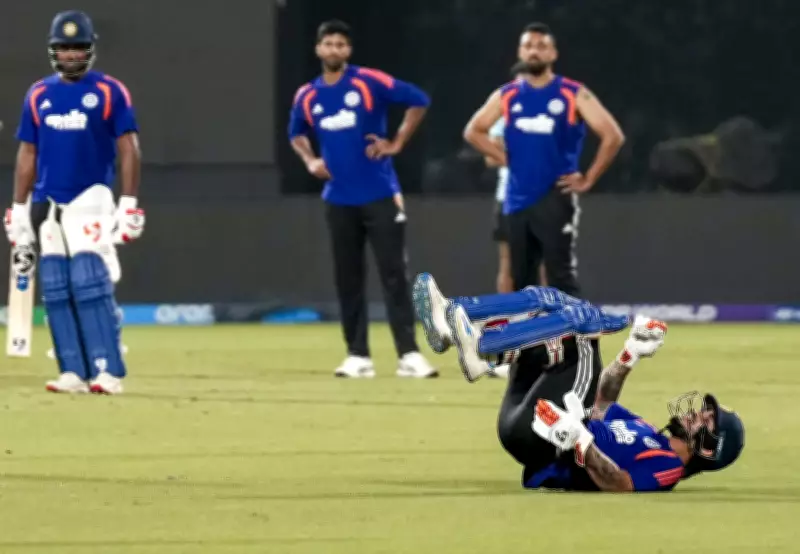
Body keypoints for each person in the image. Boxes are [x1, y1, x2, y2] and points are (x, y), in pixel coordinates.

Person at [412, 273, 745, 492]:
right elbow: (601, 402)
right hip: (526, 420)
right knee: (549, 301)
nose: (696, 413)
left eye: (706, 420)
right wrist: (629, 356)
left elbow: (621, 483)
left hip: (546, 445)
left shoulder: (669, 467)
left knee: (584, 329)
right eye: (704, 410)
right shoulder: (646, 430)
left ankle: (484, 350)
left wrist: (580, 441)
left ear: (708, 449)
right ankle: (452, 318)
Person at [4, 10, 144, 394]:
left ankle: (107, 370)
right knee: (55, 286)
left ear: (90, 50)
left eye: (78, 48)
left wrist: (128, 203)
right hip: (47, 201)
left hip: (91, 196)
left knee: (89, 280)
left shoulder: (109, 91)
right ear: (53, 51)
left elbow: (129, 147)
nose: (71, 55)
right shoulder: (38, 94)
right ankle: (72, 371)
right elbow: (28, 153)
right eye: (64, 48)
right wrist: (18, 208)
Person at [288, 20, 436, 379]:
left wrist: (396, 143)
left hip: (380, 194)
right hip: (338, 199)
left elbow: (418, 100)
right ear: (318, 49)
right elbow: (296, 133)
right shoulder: (307, 95)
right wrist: (310, 160)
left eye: (341, 44)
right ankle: (357, 356)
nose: (334, 49)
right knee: (348, 278)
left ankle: (409, 355)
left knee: (394, 275)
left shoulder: (369, 81)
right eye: (328, 43)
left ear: (348, 50)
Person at [464, 23, 625, 295]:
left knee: (559, 277)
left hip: (555, 195)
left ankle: (570, 326)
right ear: (520, 52)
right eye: (528, 46)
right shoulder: (507, 94)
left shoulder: (572, 93)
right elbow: (473, 131)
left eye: (541, 46)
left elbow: (613, 135)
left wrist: (588, 179)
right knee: (521, 282)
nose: (534, 52)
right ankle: (530, 326)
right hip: (516, 199)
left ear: (553, 54)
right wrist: (506, 158)